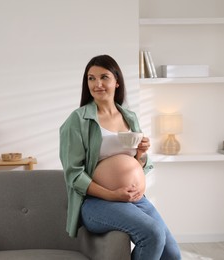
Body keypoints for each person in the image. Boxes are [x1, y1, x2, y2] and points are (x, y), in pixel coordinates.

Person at [59, 54, 181, 260]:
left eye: (104, 77)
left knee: (172, 254)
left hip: (135, 200)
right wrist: (112, 195)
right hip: (97, 203)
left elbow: (138, 164)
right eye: (91, 78)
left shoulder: (129, 117)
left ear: (117, 82)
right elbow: (73, 174)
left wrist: (141, 154)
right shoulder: (78, 120)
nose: (97, 84)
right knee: (152, 234)